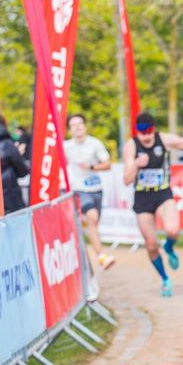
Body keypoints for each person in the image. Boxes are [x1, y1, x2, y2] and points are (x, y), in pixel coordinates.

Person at [122, 112, 183, 297]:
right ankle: (165, 279)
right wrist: (136, 164)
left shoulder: (163, 139)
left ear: (153, 129)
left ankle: (169, 247)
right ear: (137, 132)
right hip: (142, 197)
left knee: (173, 230)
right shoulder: (131, 146)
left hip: (162, 193)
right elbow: (126, 180)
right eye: (142, 133)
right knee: (151, 244)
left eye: (149, 132)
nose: (146, 137)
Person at [64, 114, 116, 270]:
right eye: (73, 125)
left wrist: (92, 167)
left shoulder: (95, 143)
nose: (77, 127)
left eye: (80, 123)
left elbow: (108, 165)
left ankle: (88, 248)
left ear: (85, 126)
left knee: (94, 221)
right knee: (92, 218)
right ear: (69, 130)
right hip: (79, 190)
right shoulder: (66, 146)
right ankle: (102, 257)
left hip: (96, 189)